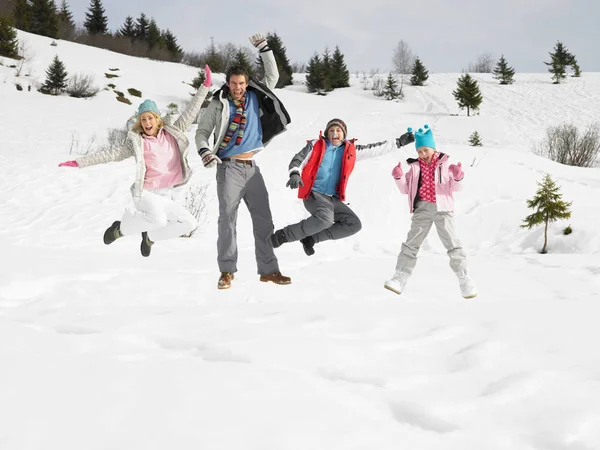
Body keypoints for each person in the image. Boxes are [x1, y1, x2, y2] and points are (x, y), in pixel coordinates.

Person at [58, 65, 213, 257]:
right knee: (158, 219)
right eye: (143, 119)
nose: (147, 123)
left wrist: (205, 86)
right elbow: (110, 154)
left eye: (150, 118)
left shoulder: (173, 132)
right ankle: (119, 229)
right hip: (146, 193)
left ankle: (150, 238)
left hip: (167, 194)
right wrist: (79, 162)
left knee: (189, 223)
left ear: (158, 119)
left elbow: (191, 111)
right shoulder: (138, 142)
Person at [195, 33, 292, 290]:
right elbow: (202, 133)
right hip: (229, 168)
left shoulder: (255, 96)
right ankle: (227, 271)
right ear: (227, 83)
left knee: (264, 220)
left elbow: (272, 76)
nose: (238, 87)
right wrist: (205, 151)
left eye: (241, 83)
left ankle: (269, 270)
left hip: (253, 169)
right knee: (227, 219)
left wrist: (264, 48)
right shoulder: (218, 103)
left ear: (247, 83)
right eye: (233, 83)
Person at [270, 118, 415, 256]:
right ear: (327, 133)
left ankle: (311, 238)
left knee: (353, 224)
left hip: (332, 199)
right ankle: (283, 235)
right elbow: (298, 159)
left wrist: (399, 142)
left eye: (338, 130)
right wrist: (294, 173)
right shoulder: (316, 145)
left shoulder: (350, 150)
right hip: (314, 194)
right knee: (325, 219)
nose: (335, 133)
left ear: (344, 134)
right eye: (331, 130)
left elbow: (375, 149)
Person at [384, 124, 478, 298]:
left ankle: (464, 278)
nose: (422, 155)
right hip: (422, 209)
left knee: (451, 242)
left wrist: (458, 176)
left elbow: (457, 188)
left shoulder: (445, 164)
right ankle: (400, 277)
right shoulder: (414, 167)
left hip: (443, 209)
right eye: (419, 151)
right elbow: (406, 190)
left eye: (425, 150)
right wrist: (398, 177)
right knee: (411, 242)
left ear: (433, 149)